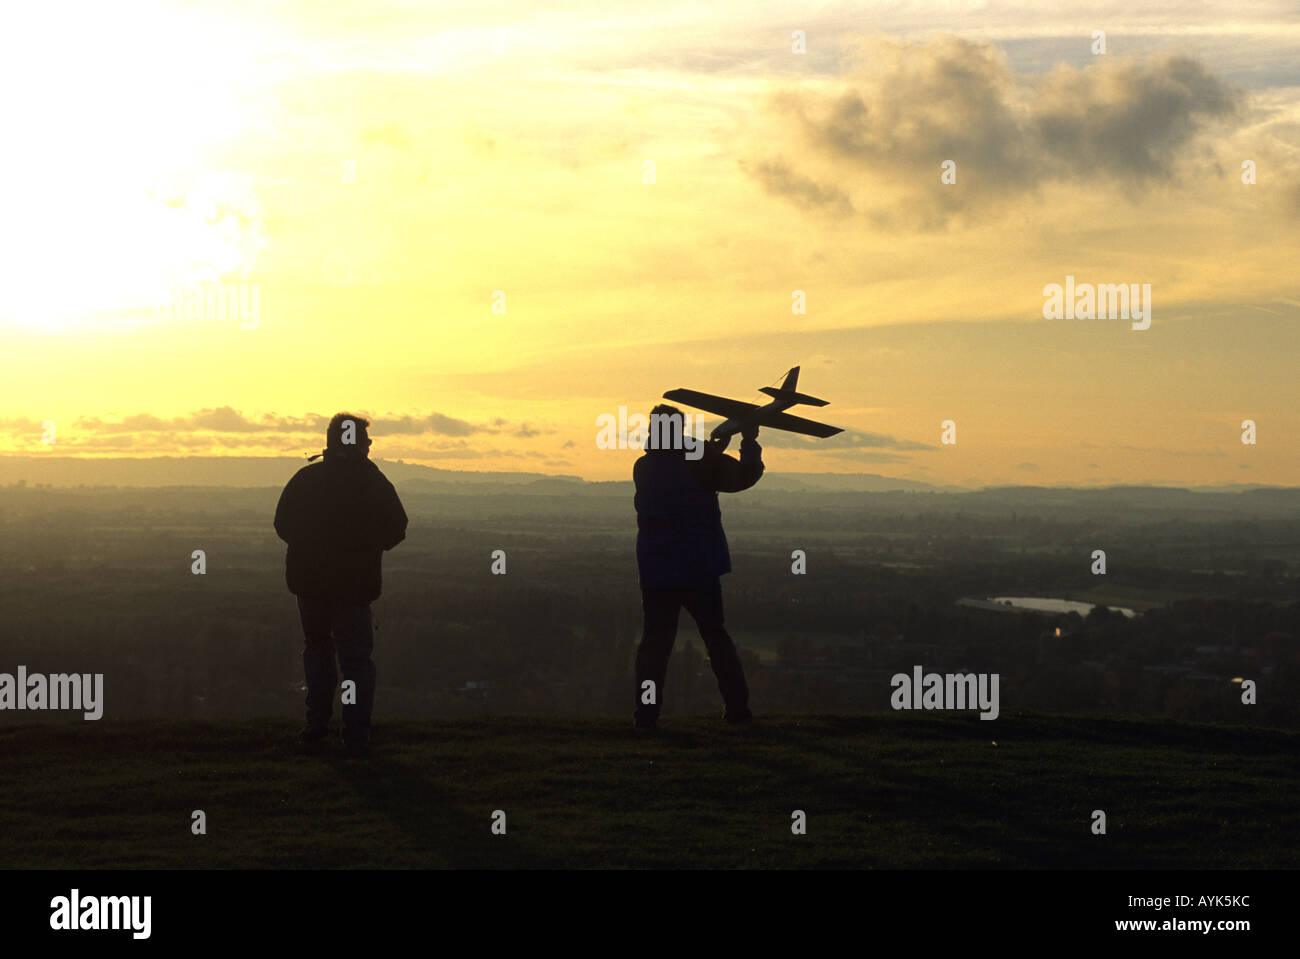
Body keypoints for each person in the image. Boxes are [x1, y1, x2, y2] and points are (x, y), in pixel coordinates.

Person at [274, 413, 407, 755]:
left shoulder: (306, 479)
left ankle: (316, 725)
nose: (370, 446)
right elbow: (397, 526)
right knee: (355, 662)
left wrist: (308, 548)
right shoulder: (372, 483)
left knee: (317, 652)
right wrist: (366, 548)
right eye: (367, 440)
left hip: (310, 584)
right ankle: (355, 736)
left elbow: (282, 525)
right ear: (360, 444)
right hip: (354, 587)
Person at [632, 405, 764, 730]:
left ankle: (646, 716)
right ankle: (738, 711)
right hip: (698, 567)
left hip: (656, 569)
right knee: (716, 639)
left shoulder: (644, 467)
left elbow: (680, 468)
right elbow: (744, 477)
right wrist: (748, 440)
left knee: (655, 645)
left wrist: (708, 450)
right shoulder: (700, 462)